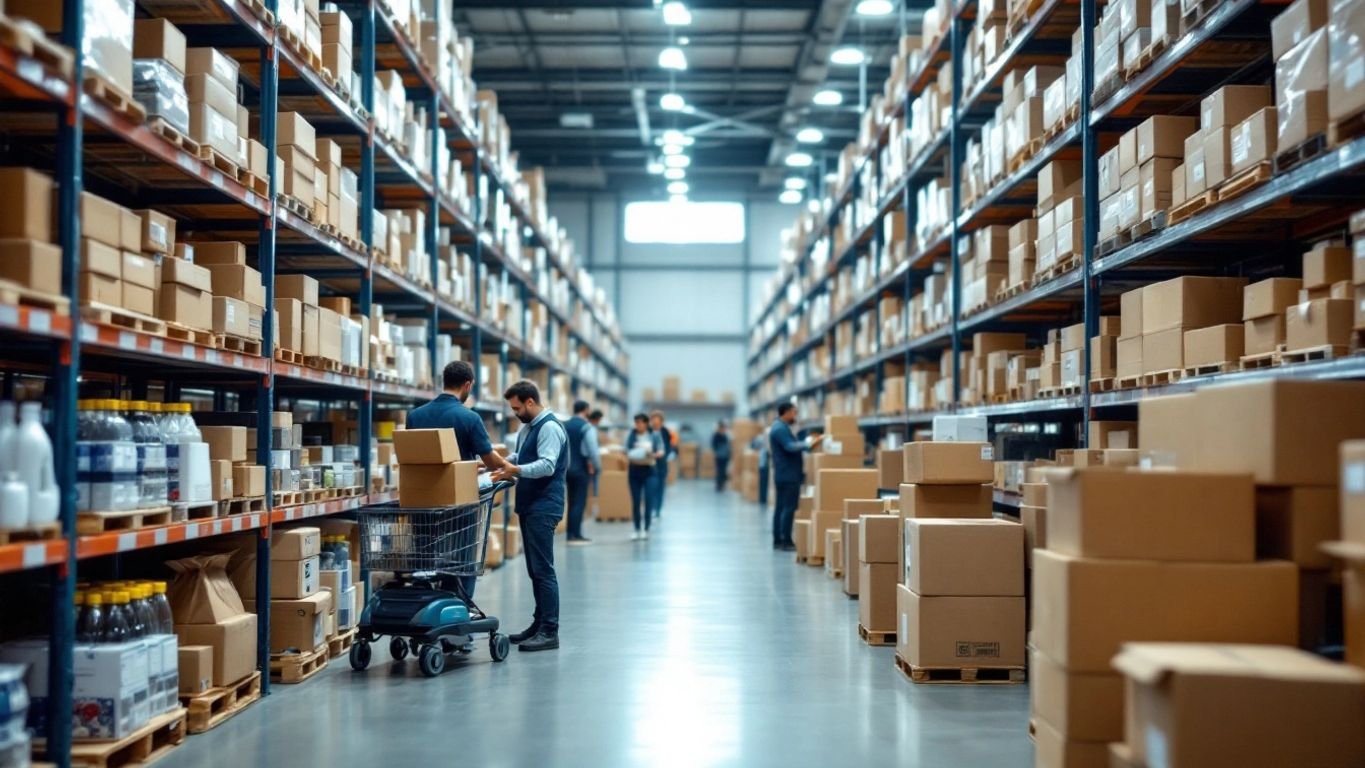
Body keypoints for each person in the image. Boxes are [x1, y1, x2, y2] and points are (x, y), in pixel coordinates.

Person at [405, 361, 508, 601]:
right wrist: (506, 467)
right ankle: (456, 614)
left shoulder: (415, 416)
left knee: (425, 560)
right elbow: (491, 460)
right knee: (461, 560)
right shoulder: (469, 417)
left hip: (423, 502)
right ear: (467, 385)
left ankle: (426, 610)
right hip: (458, 504)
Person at [488, 381, 566, 652]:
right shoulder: (528, 429)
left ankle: (549, 631)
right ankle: (538, 623)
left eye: (517, 407)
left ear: (530, 401)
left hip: (544, 507)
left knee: (543, 570)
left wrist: (515, 470)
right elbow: (520, 455)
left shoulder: (550, 428)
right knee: (535, 570)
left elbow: (547, 465)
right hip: (530, 505)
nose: (515, 413)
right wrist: (494, 462)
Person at [769, 402, 822, 551]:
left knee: (780, 508)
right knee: (788, 508)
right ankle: (785, 541)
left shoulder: (780, 427)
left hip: (784, 474)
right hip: (788, 475)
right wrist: (808, 444)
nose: (795, 415)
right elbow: (790, 446)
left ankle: (778, 540)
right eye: (793, 412)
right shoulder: (779, 429)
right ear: (785, 412)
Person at [563, 400, 600, 545]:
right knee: (579, 501)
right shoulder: (586, 427)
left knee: (571, 501)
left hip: (565, 469)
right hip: (581, 469)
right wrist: (597, 467)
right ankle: (575, 535)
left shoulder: (564, 425)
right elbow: (593, 450)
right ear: (586, 410)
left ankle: (570, 533)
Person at [624, 413, 663, 540]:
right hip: (634, 471)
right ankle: (636, 528)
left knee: (648, 499)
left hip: (650, 471)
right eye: (636, 423)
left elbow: (661, 450)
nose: (638, 425)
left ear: (646, 423)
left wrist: (655, 454)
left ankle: (646, 528)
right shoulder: (631, 435)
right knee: (635, 501)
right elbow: (626, 449)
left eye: (640, 422)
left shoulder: (654, 435)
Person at [649, 410, 674, 519]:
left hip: (661, 464)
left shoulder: (666, 432)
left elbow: (669, 447)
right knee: (651, 487)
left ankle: (658, 509)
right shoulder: (648, 431)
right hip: (649, 464)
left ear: (662, 422)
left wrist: (664, 454)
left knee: (660, 487)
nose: (655, 423)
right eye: (653, 421)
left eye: (657, 422)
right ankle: (652, 507)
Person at [588, 409, 605, 497]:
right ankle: (594, 503)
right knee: (593, 488)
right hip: (590, 464)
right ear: (597, 419)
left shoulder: (588, 427)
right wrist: (598, 466)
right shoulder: (591, 429)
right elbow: (592, 449)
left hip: (587, 463)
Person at [711, 421, 731, 492]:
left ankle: (722, 485)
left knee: (724, 471)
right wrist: (718, 450)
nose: (723, 429)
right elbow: (714, 445)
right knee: (719, 471)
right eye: (722, 428)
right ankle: (718, 485)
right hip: (719, 456)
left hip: (725, 456)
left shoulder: (725, 435)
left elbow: (728, 445)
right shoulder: (716, 435)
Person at [753, 432, 770, 507]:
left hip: (764, 465)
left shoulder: (765, 444)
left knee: (764, 483)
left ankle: (763, 499)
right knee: (763, 483)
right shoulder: (764, 445)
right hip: (764, 466)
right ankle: (762, 499)